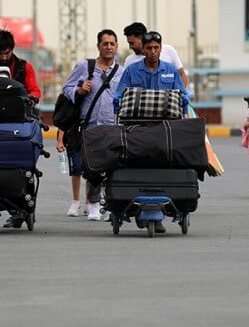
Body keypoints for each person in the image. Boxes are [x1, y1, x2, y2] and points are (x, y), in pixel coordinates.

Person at [113, 31, 188, 233]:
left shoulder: (171, 71)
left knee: (163, 163)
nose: (153, 52)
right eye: (149, 48)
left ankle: (160, 209)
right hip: (137, 128)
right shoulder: (132, 70)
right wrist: (118, 99)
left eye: (156, 48)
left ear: (161, 49)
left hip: (165, 129)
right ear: (143, 50)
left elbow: (181, 93)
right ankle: (139, 207)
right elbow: (120, 93)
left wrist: (184, 99)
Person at [61, 29, 124, 221]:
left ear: (117, 47)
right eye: (105, 43)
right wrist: (79, 90)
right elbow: (66, 88)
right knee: (92, 167)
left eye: (112, 44)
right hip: (89, 127)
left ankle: (110, 205)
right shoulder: (84, 67)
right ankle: (94, 205)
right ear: (98, 46)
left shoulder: (121, 72)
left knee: (113, 167)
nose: (108, 47)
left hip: (113, 127)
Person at [0, 29, 42, 227]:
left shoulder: (24, 67)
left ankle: (21, 207)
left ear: (12, 50)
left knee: (22, 165)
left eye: (6, 53)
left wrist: (31, 99)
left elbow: (35, 89)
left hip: (20, 122)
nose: (3, 57)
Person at [123, 22, 189, 88]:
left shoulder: (169, 51)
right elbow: (124, 86)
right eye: (149, 48)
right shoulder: (130, 62)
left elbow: (182, 75)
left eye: (132, 43)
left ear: (141, 38)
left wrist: (179, 95)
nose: (130, 47)